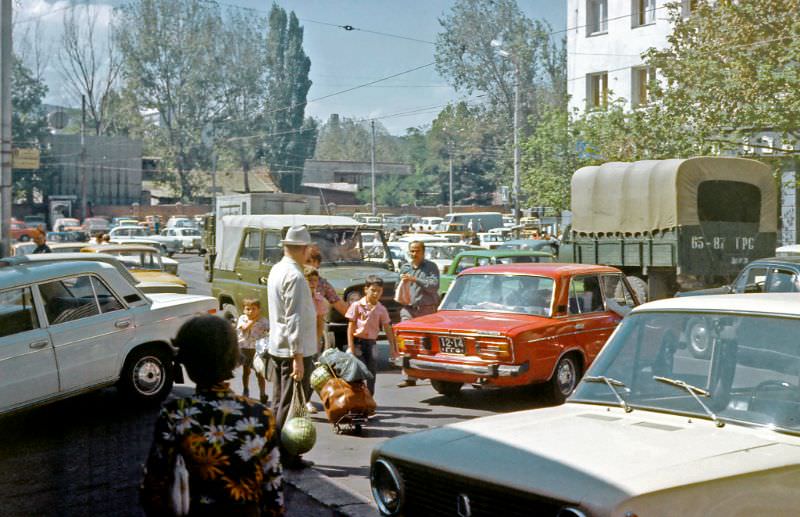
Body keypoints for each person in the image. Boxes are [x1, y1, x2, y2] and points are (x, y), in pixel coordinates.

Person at [140, 315, 283, 516]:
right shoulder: (261, 415)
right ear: (234, 358)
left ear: (187, 363)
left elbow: (154, 488)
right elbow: (273, 493)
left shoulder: (175, 415)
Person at [266, 225, 317, 469]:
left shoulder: (279, 269)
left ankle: (275, 451)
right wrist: (298, 356)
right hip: (293, 350)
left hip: (280, 347)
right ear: (304, 249)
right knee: (290, 405)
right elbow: (293, 317)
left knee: (280, 401)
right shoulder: (295, 276)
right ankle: (285, 455)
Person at [396, 241, 440, 388]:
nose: (414, 254)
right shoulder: (405, 267)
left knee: (427, 343)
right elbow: (398, 286)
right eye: (412, 251)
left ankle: (431, 372)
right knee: (407, 343)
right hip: (408, 309)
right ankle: (409, 376)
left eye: (417, 251)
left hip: (426, 309)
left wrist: (415, 279)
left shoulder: (430, 267)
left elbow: (433, 286)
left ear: (423, 252)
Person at [346, 275, 395, 396]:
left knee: (372, 371)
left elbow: (388, 328)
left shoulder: (381, 309)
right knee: (359, 370)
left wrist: (393, 347)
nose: (375, 294)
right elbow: (351, 326)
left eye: (379, 291)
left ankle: (369, 398)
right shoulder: (357, 305)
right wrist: (351, 346)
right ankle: (357, 398)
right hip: (358, 342)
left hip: (371, 343)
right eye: (373, 290)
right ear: (366, 289)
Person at [303, 265, 327, 414]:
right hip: (298, 338)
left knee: (312, 373)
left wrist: (316, 341)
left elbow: (320, 322)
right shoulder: (299, 298)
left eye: (315, 280)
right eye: (309, 280)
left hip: (311, 340)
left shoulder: (318, 299)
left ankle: (306, 400)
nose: (312, 283)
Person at [236, 298, 269, 403]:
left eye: (253, 309)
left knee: (260, 372)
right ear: (244, 310)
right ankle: (245, 390)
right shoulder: (242, 318)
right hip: (245, 348)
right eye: (248, 309)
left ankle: (262, 393)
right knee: (246, 371)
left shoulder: (263, 321)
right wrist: (253, 320)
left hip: (257, 350)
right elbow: (244, 328)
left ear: (259, 310)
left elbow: (269, 330)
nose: (250, 312)